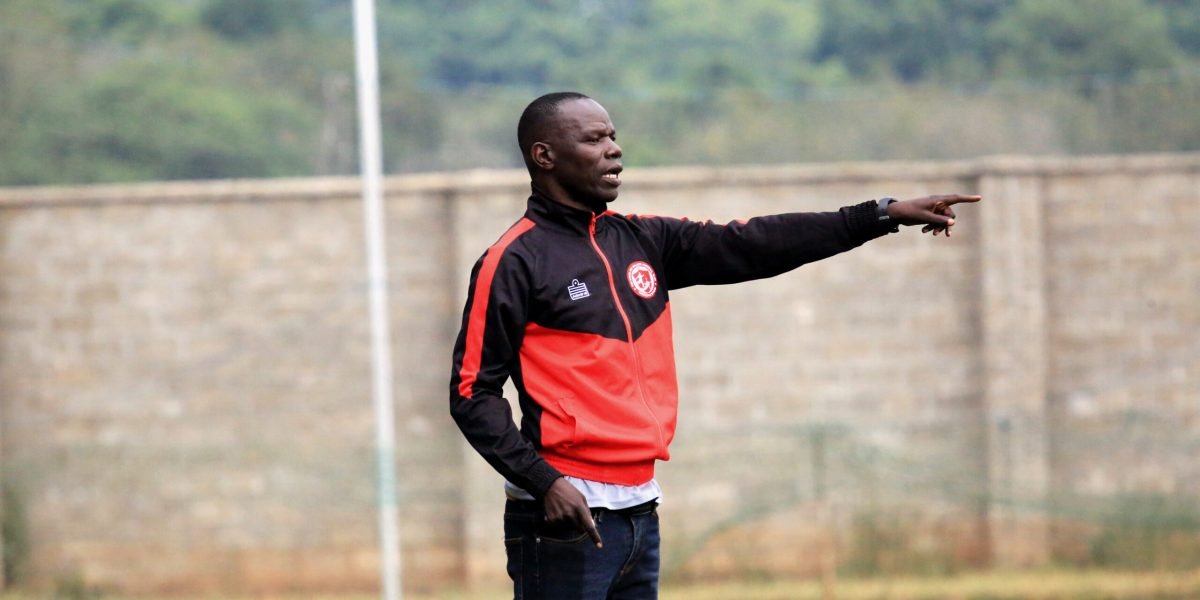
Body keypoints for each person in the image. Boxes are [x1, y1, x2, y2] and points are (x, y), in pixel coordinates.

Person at [448, 91, 980, 600]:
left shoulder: (642, 239)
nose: (614, 149)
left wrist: (881, 215)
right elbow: (473, 393)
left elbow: (753, 243)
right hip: (562, 514)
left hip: (639, 506)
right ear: (544, 156)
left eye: (612, 136)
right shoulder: (513, 260)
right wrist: (545, 483)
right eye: (594, 139)